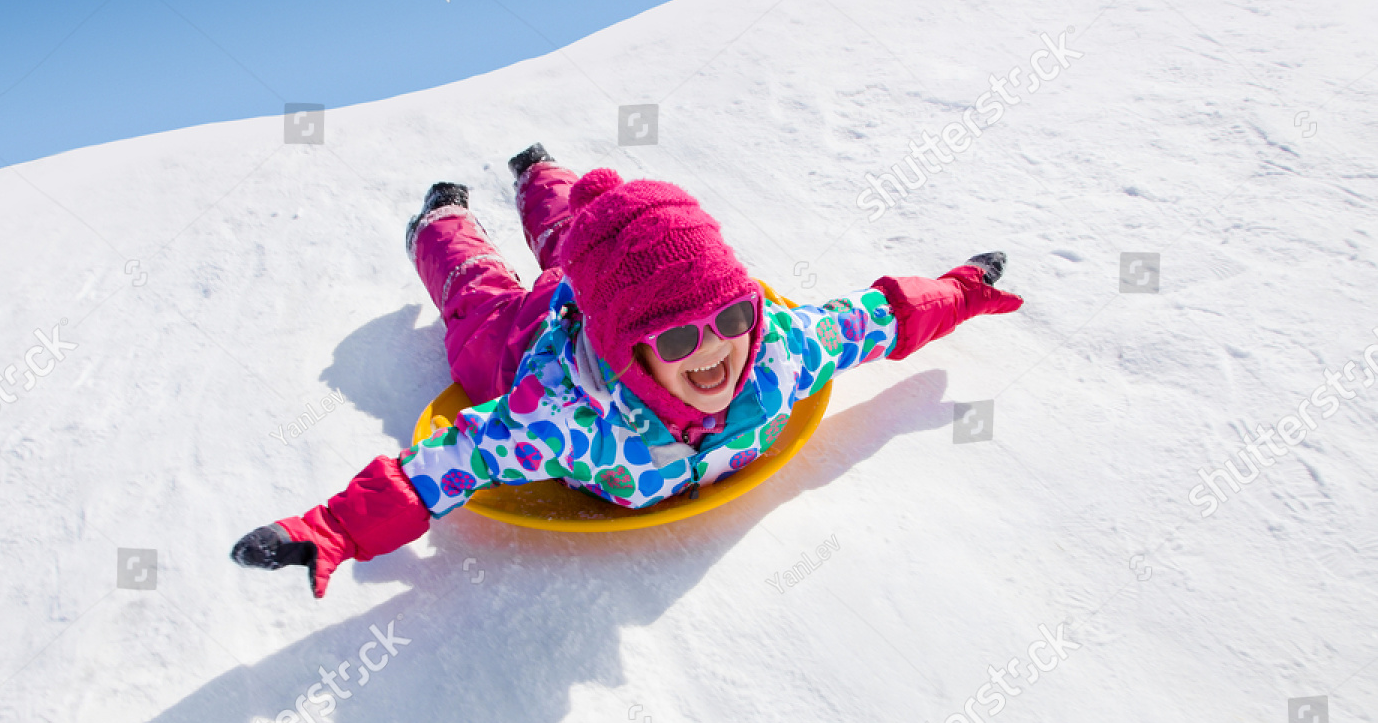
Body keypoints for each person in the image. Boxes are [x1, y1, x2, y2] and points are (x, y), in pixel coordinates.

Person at [232, 144, 1023, 597]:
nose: (715, 351)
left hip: (602, 297)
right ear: (628, 350)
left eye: (732, 318)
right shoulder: (566, 415)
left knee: (582, 230)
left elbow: (877, 318)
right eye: (678, 341)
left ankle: (539, 173)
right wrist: (335, 526)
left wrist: (962, 288)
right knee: (480, 297)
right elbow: (449, 461)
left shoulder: (778, 348)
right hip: (524, 339)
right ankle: (440, 218)